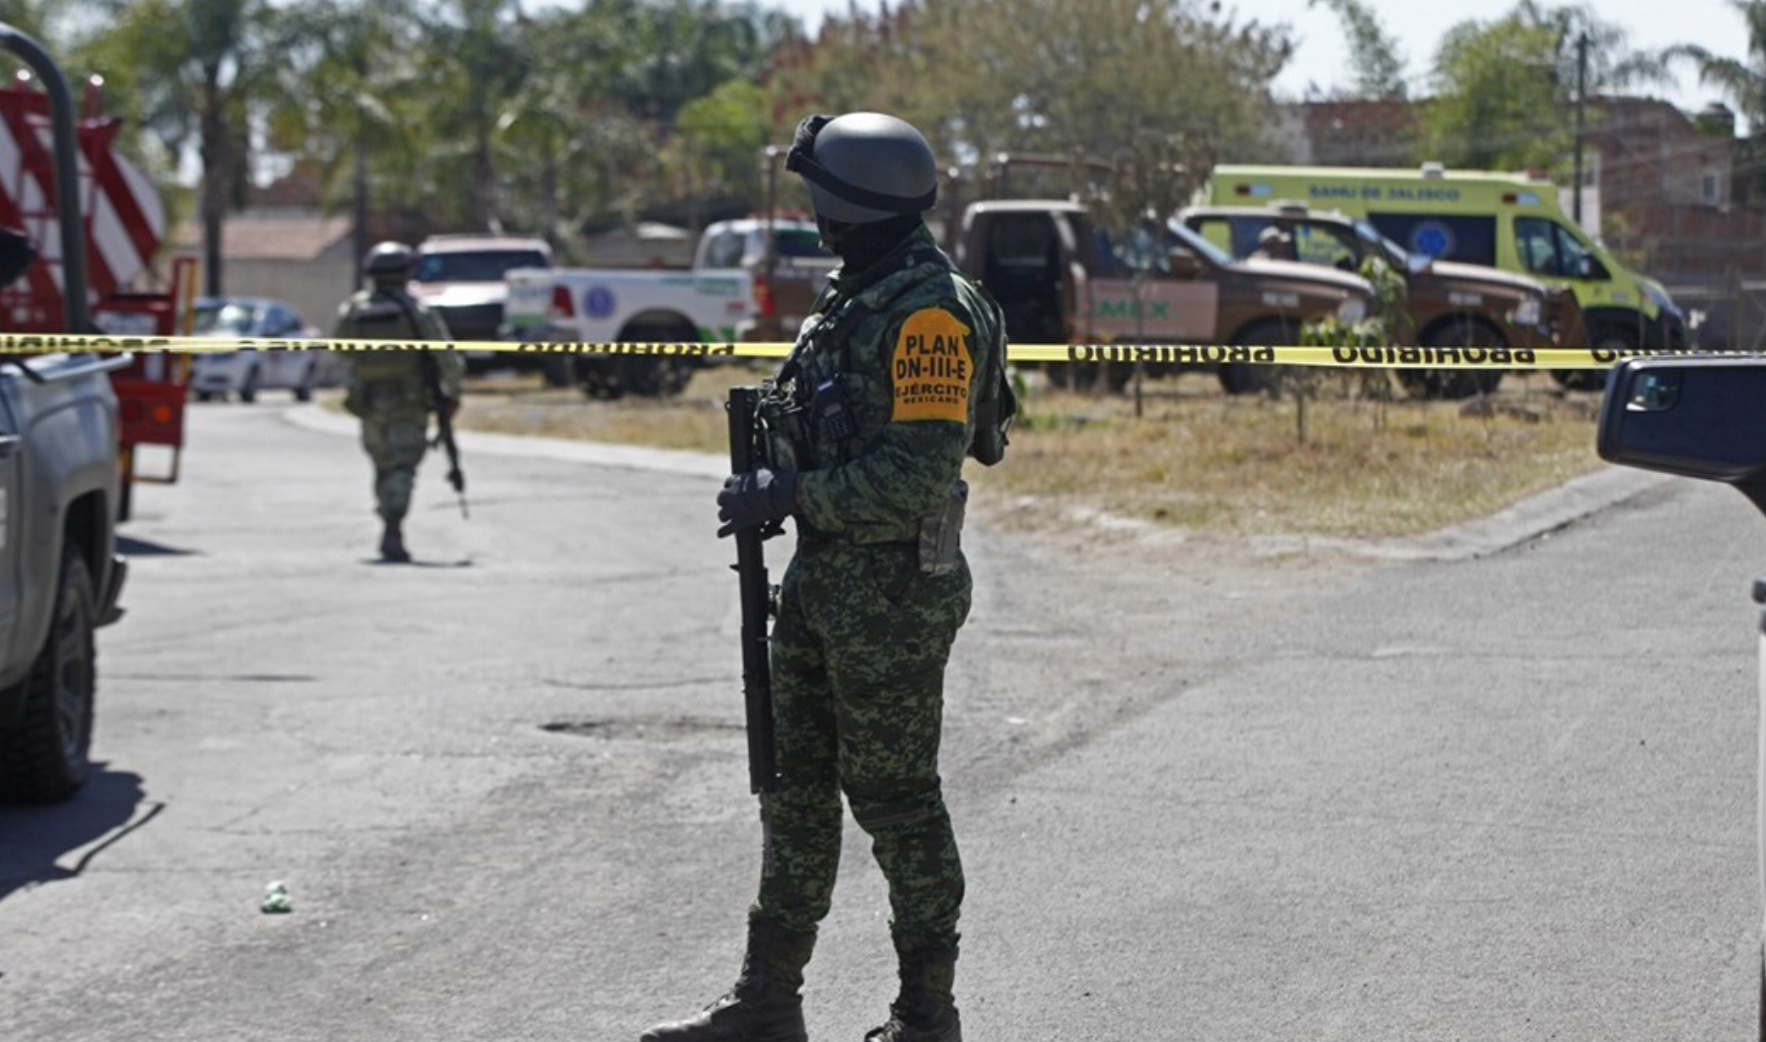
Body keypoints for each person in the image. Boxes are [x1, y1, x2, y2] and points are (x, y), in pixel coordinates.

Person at [643, 112, 1007, 1042]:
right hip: (820, 590)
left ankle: (928, 1014)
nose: (814, 218)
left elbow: (917, 475)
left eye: (821, 201)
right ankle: (768, 1003)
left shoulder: (928, 311)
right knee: (795, 790)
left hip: (891, 601)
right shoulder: (855, 296)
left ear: (854, 203)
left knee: (895, 800)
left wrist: (795, 493)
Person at [332, 241, 462, 564]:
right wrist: (454, 393)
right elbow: (446, 355)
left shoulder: (355, 310)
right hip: (409, 402)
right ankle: (393, 524)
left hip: (370, 403)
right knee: (402, 466)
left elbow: (341, 349)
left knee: (382, 464)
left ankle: (389, 518)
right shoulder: (417, 311)